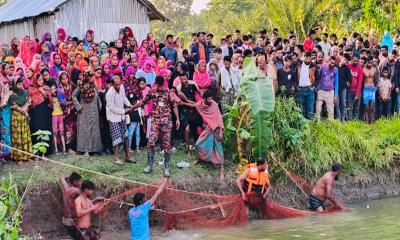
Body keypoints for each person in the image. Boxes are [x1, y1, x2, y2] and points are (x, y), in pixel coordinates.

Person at [131, 76, 180, 177]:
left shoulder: (168, 92)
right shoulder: (152, 92)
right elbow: (143, 101)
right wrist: (132, 108)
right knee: (150, 143)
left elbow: (174, 105)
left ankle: (166, 168)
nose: (159, 87)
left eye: (160, 85)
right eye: (158, 85)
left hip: (166, 122)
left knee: (167, 145)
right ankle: (150, 165)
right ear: (156, 84)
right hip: (156, 122)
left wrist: (178, 118)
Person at [72, 70, 103, 156]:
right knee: (85, 130)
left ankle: (95, 149)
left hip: (94, 111)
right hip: (84, 111)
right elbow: (74, 95)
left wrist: (99, 105)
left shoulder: (93, 85)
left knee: (94, 129)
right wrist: (78, 106)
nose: (91, 78)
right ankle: (85, 150)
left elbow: (97, 96)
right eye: (89, 77)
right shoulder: (81, 85)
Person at [105, 75, 134, 165]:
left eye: (119, 84)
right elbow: (112, 108)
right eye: (116, 85)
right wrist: (124, 111)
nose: (118, 86)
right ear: (112, 84)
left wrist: (129, 105)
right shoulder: (109, 94)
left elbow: (123, 98)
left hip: (121, 117)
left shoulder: (121, 87)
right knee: (116, 138)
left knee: (125, 137)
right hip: (113, 118)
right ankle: (116, 158)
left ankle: (127, 156)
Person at [10, 77, 32, 162]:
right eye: (18, 84)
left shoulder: (25, 92)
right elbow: (14, 105)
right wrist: (24, 111)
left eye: (21, 84)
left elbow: (28, 101)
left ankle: (27, 156)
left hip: (24, 116)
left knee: (25, 134)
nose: (20, 86)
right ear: (14, 85)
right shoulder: (12, 94)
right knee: (18, 136)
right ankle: (18, 158)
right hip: (17, 116)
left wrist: (25, 109)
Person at [60, 172, 82, 240]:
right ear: (75, 181)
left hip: (65, 220)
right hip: (72, 221)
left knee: (75, 236)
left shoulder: (65, 188)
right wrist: (97, 200)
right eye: (79, 181)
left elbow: (61, 178)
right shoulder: (76, 190)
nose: (80, 183)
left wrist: (69, 178)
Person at [296, 52, 316, 119]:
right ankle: (301, 125)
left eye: (309, 59)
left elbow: (318, 77)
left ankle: (309, 126)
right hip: (300, 89)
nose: (308, 61)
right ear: (303, 57)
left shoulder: (313, 66)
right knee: (300, 108)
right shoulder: (299, 65)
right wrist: (296, 86)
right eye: (306, 59)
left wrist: (314, 87)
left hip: (310, 89)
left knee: (310, 109)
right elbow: (295, 75)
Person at [51, 84, 67, 155]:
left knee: (61, 132)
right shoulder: (51, 98)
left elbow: (64, 103)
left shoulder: (59, 96)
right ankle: (56, 149)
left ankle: (64, 149)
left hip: (60, 114)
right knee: (55, 132)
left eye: (54, 88)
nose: (53, 90)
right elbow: (50, 105)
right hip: (54, 115)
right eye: (52, 89)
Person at [362, 56, 378, 123]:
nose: (370, 64)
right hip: (365, 90)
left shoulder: (374, 70)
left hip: (372, 90)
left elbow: (376, 80)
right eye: (368, 62)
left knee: (372, 107)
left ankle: (371, 122)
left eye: (371, 63)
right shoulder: (363, 69)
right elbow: (361, 81)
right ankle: (366, 121)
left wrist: (375, 88)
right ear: (366, 62)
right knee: (366, 107)